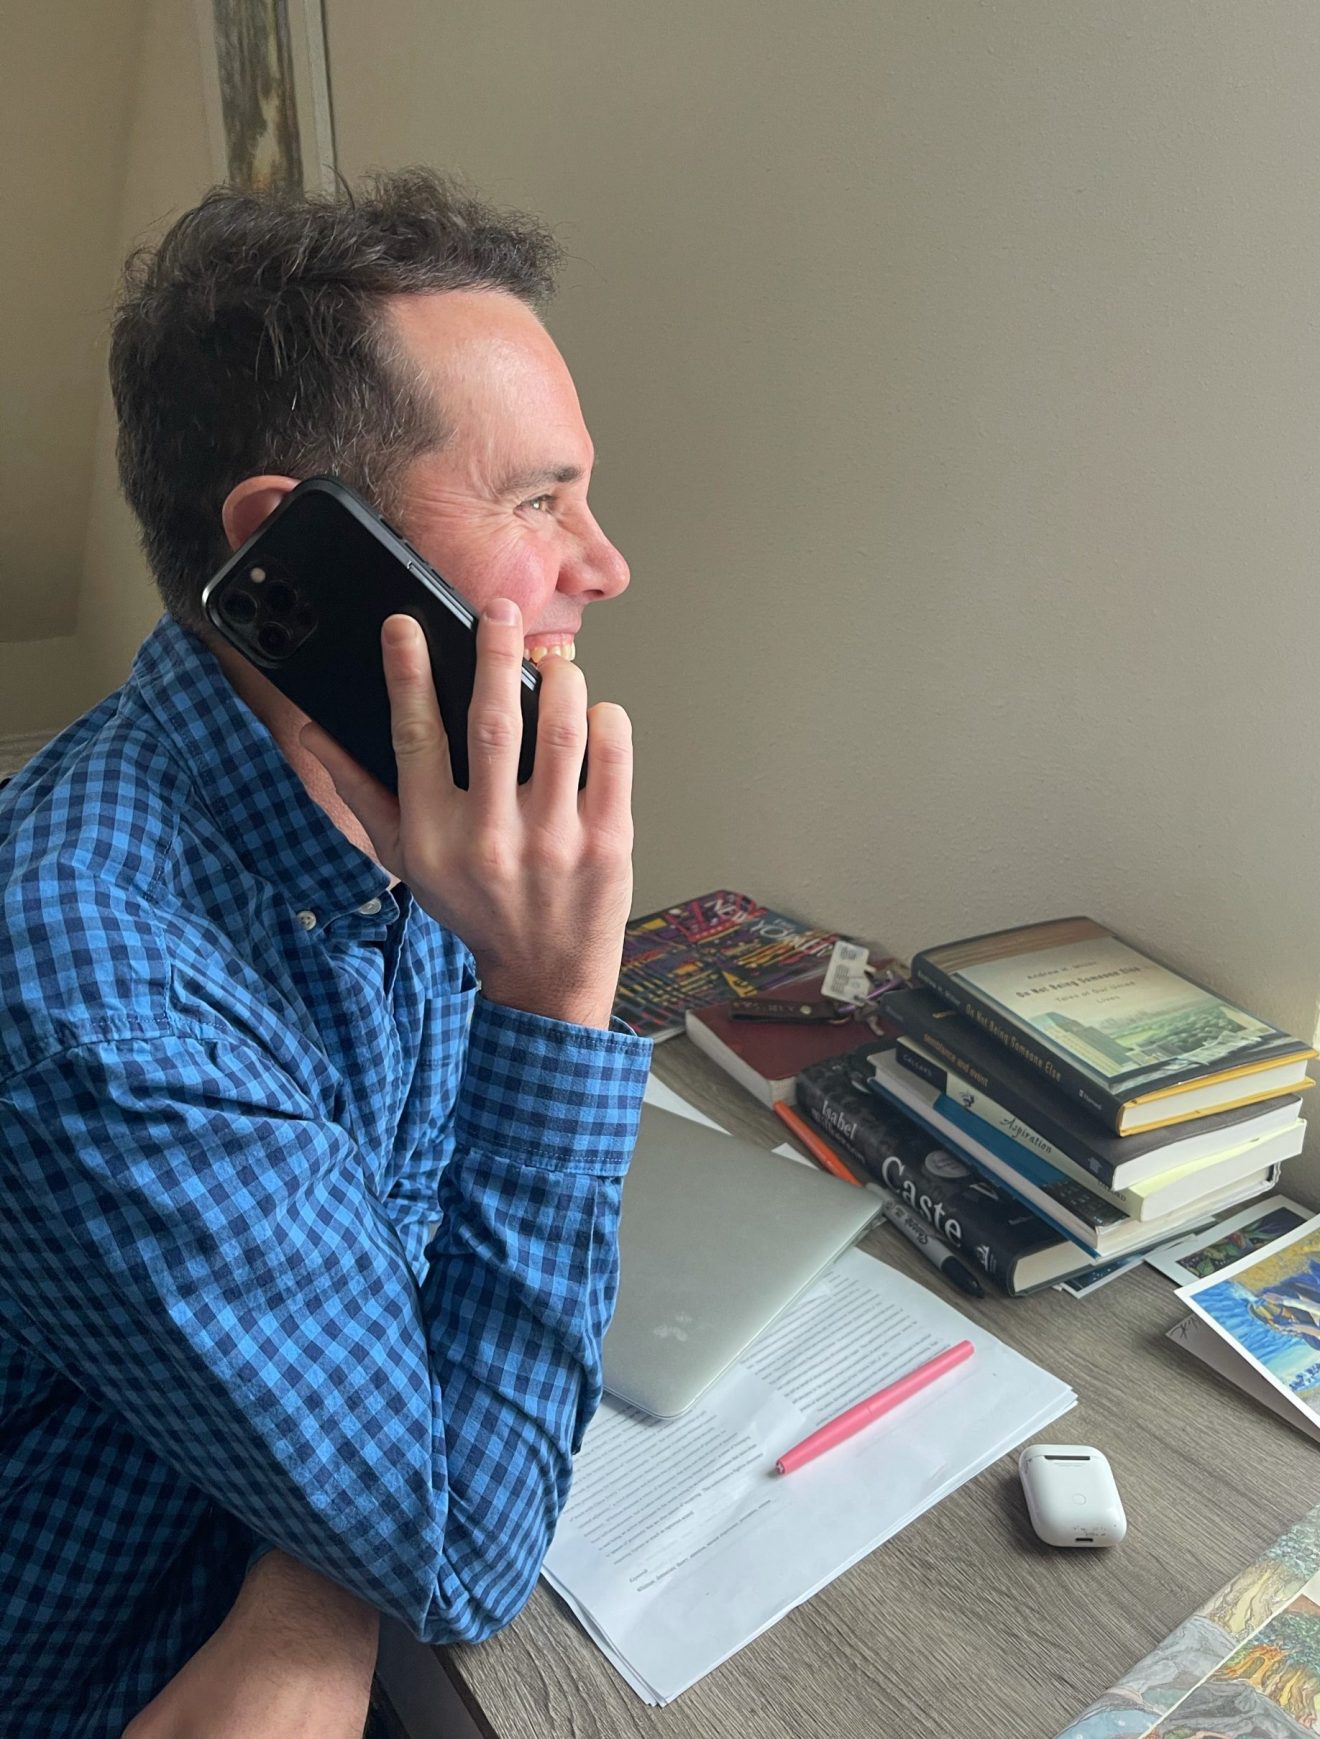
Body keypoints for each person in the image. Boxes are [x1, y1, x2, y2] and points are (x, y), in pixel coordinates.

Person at [0, 169, 651, 1737]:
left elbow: (402, 1217)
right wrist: (556, 1004)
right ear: (289, 551)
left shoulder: (393, 801)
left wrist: (320, 1578)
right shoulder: (93, 992)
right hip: (118, 1666)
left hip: (248, 1561)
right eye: (537, 501)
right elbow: (468, 1553)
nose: (604, 564)